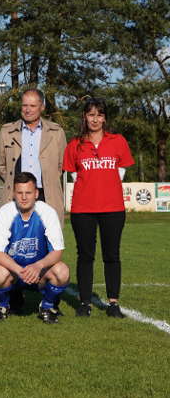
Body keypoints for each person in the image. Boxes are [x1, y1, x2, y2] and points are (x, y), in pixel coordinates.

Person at [63, 98, 134, 318]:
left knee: (112, 255)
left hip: (112, 207)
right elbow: (76, 176)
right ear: (84, 117)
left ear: (105, 118)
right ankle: (85, 303)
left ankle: (113, 303)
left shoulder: (118, 141)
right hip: (83, 209)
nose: (95, 119)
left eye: (100, 115)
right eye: (91, 114)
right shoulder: (74, 144)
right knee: (85, 256)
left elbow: (121, 171)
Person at [0, 172, 69, 324]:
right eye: (19, 193)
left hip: (39, 272)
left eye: (28, 193)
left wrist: (38, 266)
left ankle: (47, 306)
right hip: (14, 271)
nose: (24, 197)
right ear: (13, 194)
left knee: (62, 271)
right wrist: (20, 271)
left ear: (36, 194)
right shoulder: (6, 212)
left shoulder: (47, 212)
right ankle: (3, 306)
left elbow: (58, 251)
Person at [0, 88, 67, 222]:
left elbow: (61, 166)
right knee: (14, 239)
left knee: (48, 239)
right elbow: (1, 166)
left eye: (32, 106)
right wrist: (16, 185)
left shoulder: (57, 132)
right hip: (15, 196)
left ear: (42, 107)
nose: (28, 109)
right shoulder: (6, 131)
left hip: (47, 196)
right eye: (25, 105)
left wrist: (48, 180)